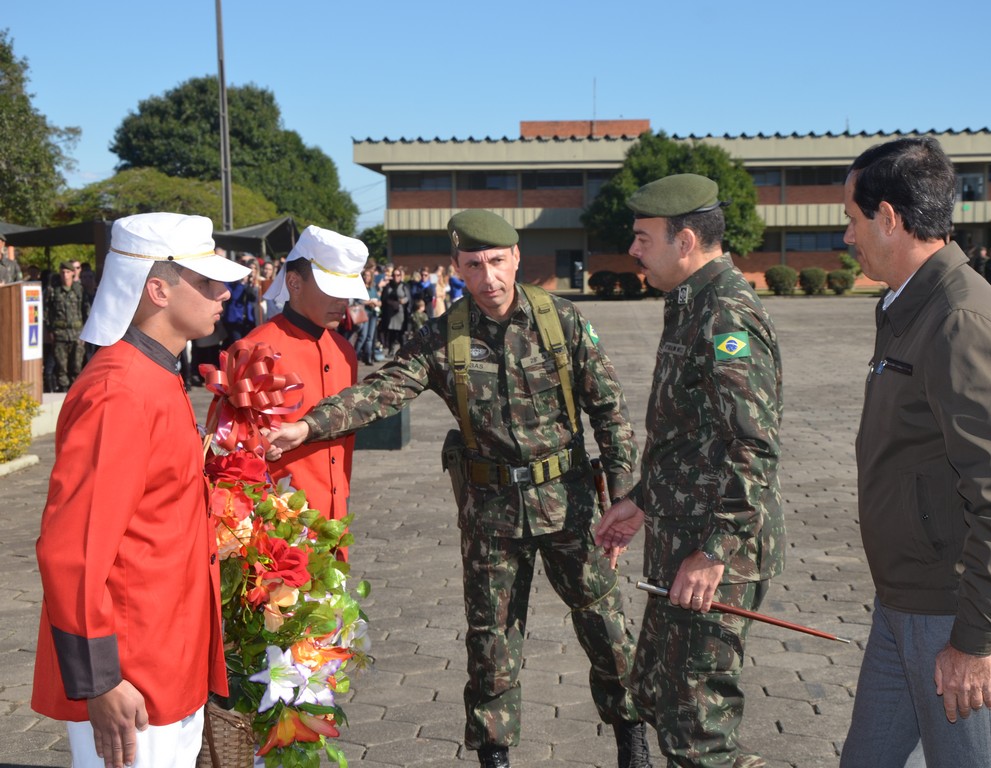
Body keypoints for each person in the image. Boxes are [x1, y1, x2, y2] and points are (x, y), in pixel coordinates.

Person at [268, 209, 651, 768]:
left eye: (497, 261)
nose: (489, 277)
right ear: (457, 268)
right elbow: (385, 389)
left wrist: (621, 496)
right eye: (474, 265)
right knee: (490, 642)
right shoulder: (444, 336)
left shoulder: (562, 322)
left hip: (570, 506)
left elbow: (611, 414)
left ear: (517, 258)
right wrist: (307, 425)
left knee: (606, 629)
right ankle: (493, 755)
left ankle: (632, 742)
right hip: (489, 514)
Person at [837, 137, 991, 768]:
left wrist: (974, 640)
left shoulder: (959, 321)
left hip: (953, 615)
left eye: (851, 218)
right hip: (904, 601)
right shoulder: (907, 306)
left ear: (889, 218)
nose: (847, 237)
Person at [32, 212, 246, 768]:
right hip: (132, 675)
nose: (223, 293)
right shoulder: (121, 388)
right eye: (206, 282)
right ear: (158, 289)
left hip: (165, 654)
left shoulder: (153, 373)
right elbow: (73, 551)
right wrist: (100, 681)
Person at [595, 173, 784, 768]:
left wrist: (715, 549)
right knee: (669, 703)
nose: (633, 250)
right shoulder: (690, 303)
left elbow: (752, 445)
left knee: (700, 729)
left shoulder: (725, 314)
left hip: (711, 554)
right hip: (683, 539)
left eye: (643, 237)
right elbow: (690, 437)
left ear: (685, 241)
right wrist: (643, 499)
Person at [248, 225, 369, 532]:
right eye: (333, 288)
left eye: (348, 289)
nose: (344, 300)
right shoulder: (255, 349)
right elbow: (226, 447)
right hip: (275, 530)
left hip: (336, 515)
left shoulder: (344, 351)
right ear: (294, 282)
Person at [46, 260, 90, 391]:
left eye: (68, 272)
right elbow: (47, 312)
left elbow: (86, 311)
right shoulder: (54, 291)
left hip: (77, 334)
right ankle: (64, 393)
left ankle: (75, 394)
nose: (65, 275)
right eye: (63, 272)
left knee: (77, 367)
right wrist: (50, 330)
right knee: (61, 368)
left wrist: (85, 333)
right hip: (60, 334)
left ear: (73, 273)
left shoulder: (80, 290)